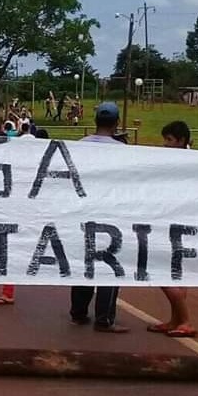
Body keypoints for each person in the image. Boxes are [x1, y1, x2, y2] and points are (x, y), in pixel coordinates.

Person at [70, 102, 129, 332]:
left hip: (83, 212)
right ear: (116, 123)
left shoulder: (78, 146)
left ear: (95, 121)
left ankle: (78, 312)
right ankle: (104, 318)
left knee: (84, 262)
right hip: (111, 213)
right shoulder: (123, 151)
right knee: (109, 264)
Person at [147, 121, 197, 338]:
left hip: (177, 223)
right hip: (174, 220)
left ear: (181, 141)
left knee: (159, 271)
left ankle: (185, 320)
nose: (165, 144)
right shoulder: (180, 159)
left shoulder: (185, 162)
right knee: (176, 274)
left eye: (169, 140)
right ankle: (176, 320)